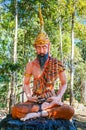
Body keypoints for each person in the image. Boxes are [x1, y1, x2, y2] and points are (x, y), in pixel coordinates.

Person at [11, 7, 74, 121]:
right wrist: (29, 97)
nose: (41, 51)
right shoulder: (31, 64)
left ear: (48, 47)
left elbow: (64, 83)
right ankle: (43, 111)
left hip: (51, 100)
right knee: (15, 110)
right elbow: (25, 83)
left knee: (69, 110)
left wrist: (58, 97)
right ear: (35, 48)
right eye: (38, 47)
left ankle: (38, 114)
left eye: (44, 47)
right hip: (36, 101)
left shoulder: (56, 63)